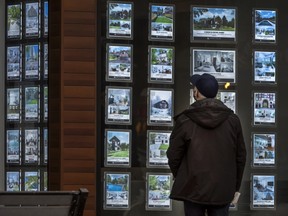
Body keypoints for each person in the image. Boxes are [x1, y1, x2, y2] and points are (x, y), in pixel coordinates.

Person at [166, 73, 246, 216]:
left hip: (193, 188)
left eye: (194, 88)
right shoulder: (233, 121)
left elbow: (173, 154)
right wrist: (235, 187)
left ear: (196, 92)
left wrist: (184, 176)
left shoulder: (185, 120)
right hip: (222, 190)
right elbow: (240, 157)